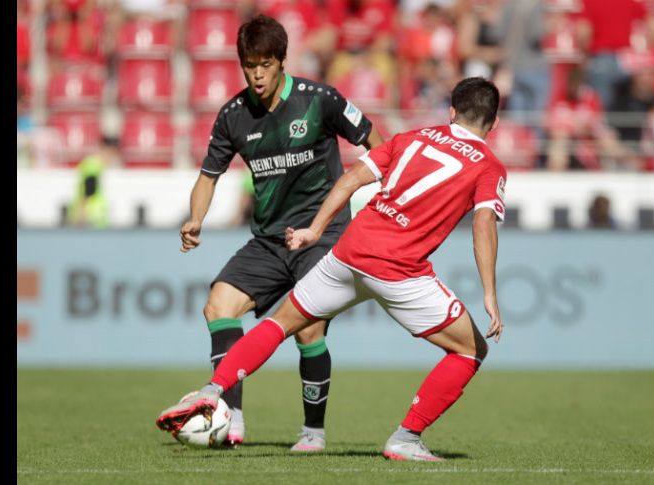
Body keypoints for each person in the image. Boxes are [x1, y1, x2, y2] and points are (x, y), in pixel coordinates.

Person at [157, 77, 506, 461]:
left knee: (279, 324)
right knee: (470, 350)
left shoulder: (412, 138)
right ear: (494, 122)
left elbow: (351, 179)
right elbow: (483, 223)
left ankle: (212, 390)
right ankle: (405, 438)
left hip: (349, 253)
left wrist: (314, 230)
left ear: (451, 112)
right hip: (399, 269)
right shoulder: (489, 166)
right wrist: (489, 293)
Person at [173, 14, 384, 451]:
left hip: (321, 235)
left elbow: (375, 141)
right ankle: (232, 418)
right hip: (269, 240)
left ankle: (313, 432)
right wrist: (196, 219)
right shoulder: (233, 115)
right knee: (218, 305)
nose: (257, 75)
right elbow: (208, 176)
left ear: (282, 61)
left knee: (308, 330)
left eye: (265, 65)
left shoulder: (319, 100)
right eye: (249, 65)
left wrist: (391, 190)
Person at [66, 136, 120, 228]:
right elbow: (88, 192)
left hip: (95, 221)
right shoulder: (93, 166)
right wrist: (81, 215)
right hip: (90, 220)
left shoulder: (97, 166)